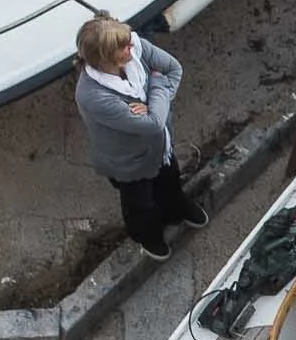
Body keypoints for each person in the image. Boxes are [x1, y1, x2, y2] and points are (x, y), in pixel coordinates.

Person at [74, 14, 207, 261]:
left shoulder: (136, 46)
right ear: (106, 57)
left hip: (160, 147)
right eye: (123, 47)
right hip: (128, 161)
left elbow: (174, 68)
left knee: (170, 179)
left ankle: (177, 210)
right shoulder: (92, 95)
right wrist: (157, 85)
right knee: (140, 203)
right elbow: (153, 124)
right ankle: (149, 236)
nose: (132, 46)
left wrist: (154, 103)